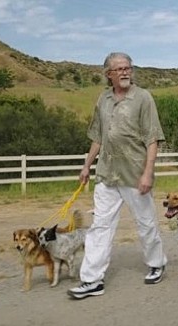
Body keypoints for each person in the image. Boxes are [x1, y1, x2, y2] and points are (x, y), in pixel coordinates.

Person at [67, 52, 168, 299]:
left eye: (128, 68)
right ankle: (92, 280)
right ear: (108, 74)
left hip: (135, 174)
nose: (125, 72)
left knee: (146, 223)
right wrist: (86, 166)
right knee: (100, 226)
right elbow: (98, 137)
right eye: (119, 69)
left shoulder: (143, 98)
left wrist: (148, 173)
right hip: (107, 174)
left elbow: (152, 138)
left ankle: (156, 263)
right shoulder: (103, 99)